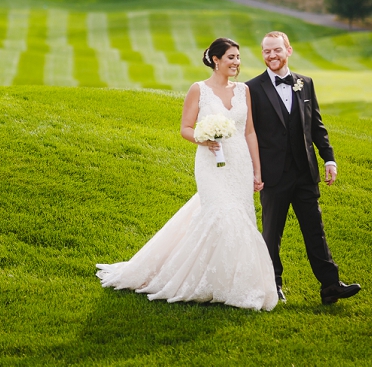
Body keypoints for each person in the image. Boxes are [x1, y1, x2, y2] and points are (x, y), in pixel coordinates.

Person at [96, 37, 278, 311]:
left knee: (240, 217)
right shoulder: (199, 90)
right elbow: (185, 128)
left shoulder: (243, 91)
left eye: (238, 57)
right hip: (210, 164)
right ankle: (198, 280)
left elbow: (249, 131)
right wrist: (203, 139)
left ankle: (233, 283)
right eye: (231, 57)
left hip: (239, 163)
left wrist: (257, 169)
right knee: (220, 213)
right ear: (216, 60)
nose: (236, 62)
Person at [246, 31, 361, 305]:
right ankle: (273, 285)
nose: (271, 55)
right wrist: (253, 170)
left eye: (276, 50)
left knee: (315, 230)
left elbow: (316, 125)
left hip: (305, 173)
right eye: (266, 51)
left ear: (289, 50)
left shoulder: (305, 83)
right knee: (272, 233)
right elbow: (247, 132)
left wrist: (328, 158)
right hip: (273, 175)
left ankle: (331, 286)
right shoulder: (251, 88)